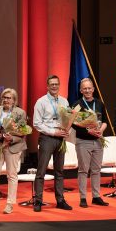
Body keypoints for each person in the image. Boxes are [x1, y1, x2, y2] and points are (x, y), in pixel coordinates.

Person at [0, 88, 27, 214]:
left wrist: (11, 138)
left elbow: (23, 132)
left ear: (14, 100)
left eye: (9, 98)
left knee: (11, 175)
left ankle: (10, 204)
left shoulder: (20, 112)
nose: (6, 100)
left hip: (12, 146)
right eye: (4, 97)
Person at [32, 75, 72, 212]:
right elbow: (36, 123)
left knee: (59, 171)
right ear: (47, 86)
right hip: (47, 138)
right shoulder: (41, 102)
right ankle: (38, 200)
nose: (54, 86)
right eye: (52, 84)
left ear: (59, 85)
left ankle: (60, 200)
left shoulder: (64, 101)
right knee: (41, 170)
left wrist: (66, 130)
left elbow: (67, 119)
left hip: (61, 138)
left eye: (56, 84)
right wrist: (53, 132)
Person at [72, 78, 109, 208]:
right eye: (85, 88)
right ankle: (83, 198)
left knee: (96, 170)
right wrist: (88, 130)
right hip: (83, 141)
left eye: (89, 88)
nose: (87, 90)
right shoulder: (77, 105)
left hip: (98, 140)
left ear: (93, 89)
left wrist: (100, 130)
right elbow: (74, 124)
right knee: (83, 170)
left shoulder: (99, 103)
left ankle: (96, 196)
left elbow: (105, 121)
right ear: (81, 90)